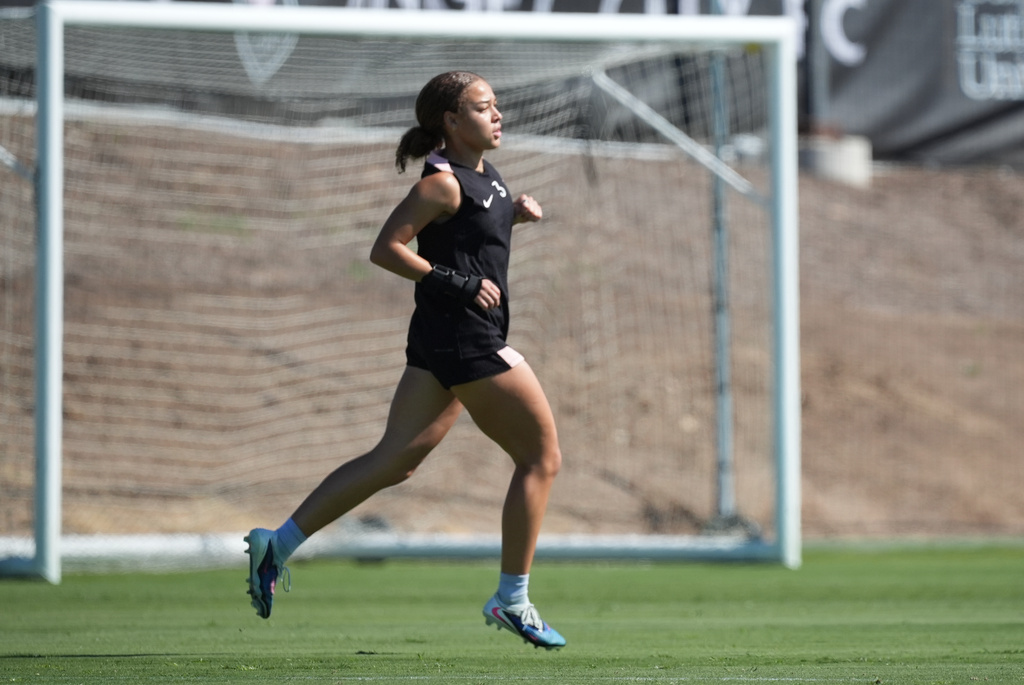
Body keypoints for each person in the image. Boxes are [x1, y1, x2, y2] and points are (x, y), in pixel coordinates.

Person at [244, 71, 566, 650]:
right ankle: (512, 598)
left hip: (441, 340)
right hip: (468, 339)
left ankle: (279, 542)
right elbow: (386, 248)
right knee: (541, 459)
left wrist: (508, 215)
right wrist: (458, 283)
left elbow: (465, 234)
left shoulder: (481, 175)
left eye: (495, 106)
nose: (498, 116)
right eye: (484, 107)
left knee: (395, 460)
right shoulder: (440, 183)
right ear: (450, 120)